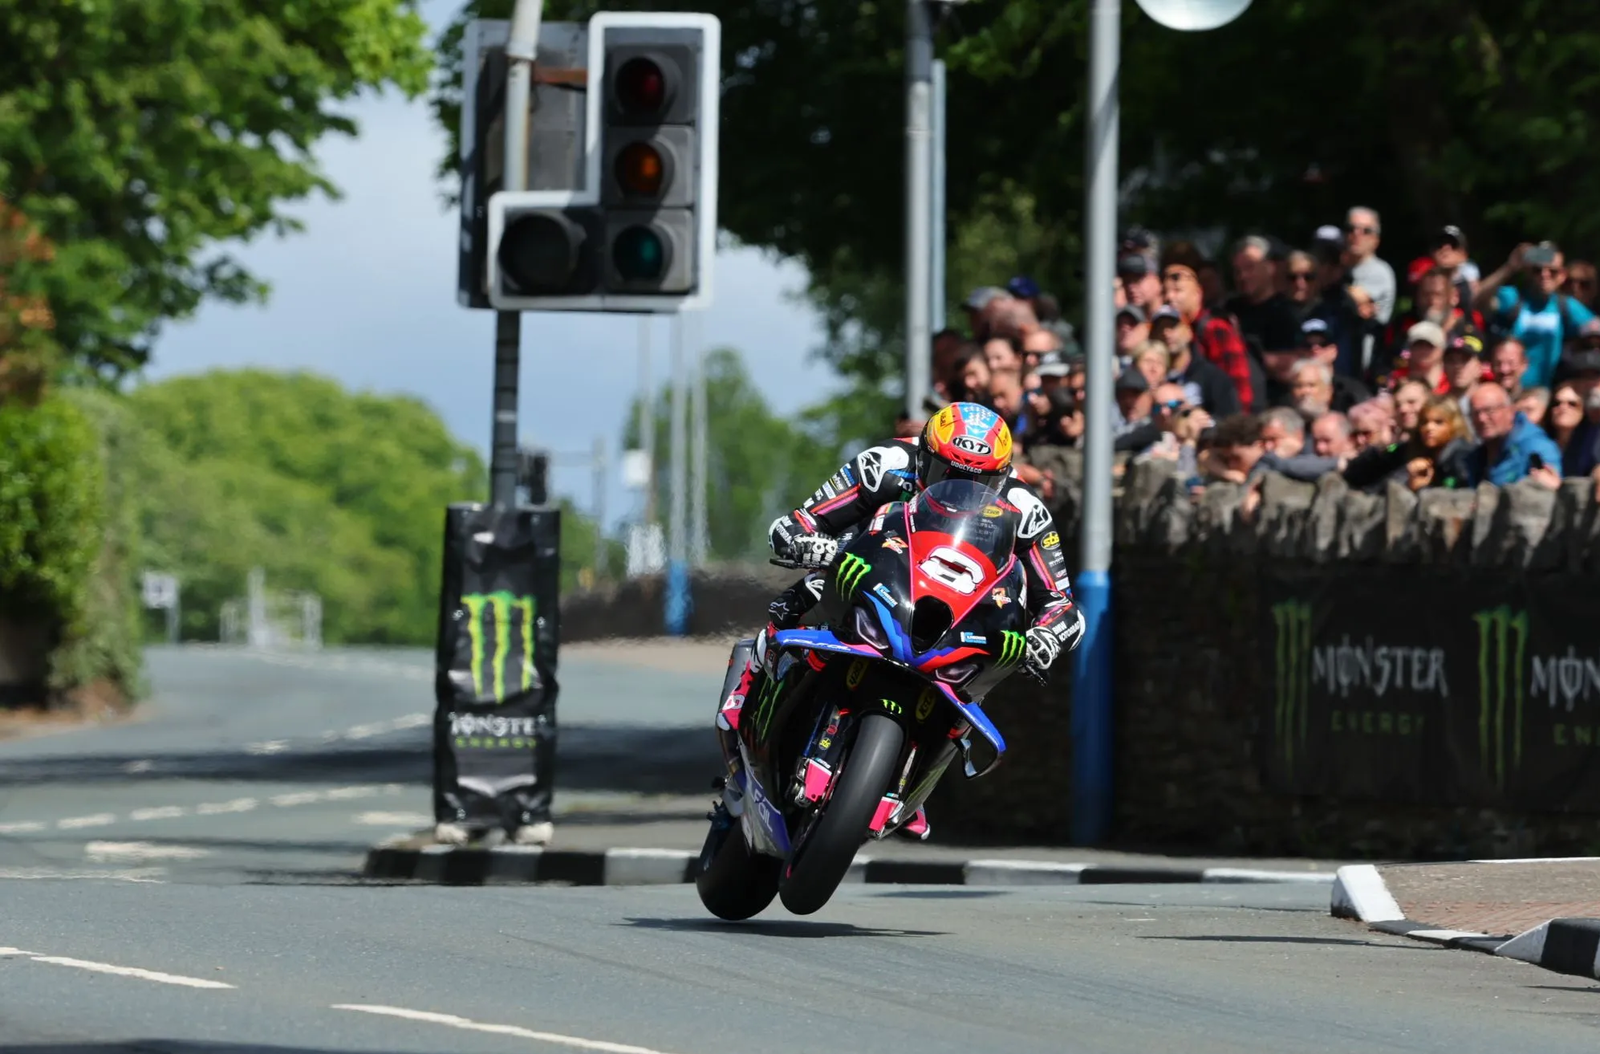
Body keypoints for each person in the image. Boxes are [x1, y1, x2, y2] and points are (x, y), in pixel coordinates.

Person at [739, 403, 1088, 837]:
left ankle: (916, 779)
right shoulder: (885, 464)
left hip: (955, 612)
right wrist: (809, 543)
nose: (963, 490)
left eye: (980, 482)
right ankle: (749, 685)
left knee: (994, 659)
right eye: (948, 475)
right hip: (871, 580)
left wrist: (1047, 636)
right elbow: (799, 521)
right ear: (924, 456)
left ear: (1002, 476)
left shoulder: (1024, 509)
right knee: (808, 591)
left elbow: (1062, 604)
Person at [1474, 241, 1597, 389]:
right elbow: (1475, 300)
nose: (1545, 275)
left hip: (1542, 393)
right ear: (1529, 272)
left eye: (1552, 271)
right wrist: (1509, 267)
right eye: (1538, 270)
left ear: (1562, 275)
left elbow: (1595, 327)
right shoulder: (1513, 297)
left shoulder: (1565, 306)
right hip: (1505, 385)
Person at [1343, 395, 1473, 492]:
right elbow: (1374, 465)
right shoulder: (1407, 449)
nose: (1429, 428)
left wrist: (1419, 488)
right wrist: (1384, 447)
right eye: (1424, 422)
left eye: (1438, 422)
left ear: (1454, 424)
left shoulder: (1461, 457)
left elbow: (1456, 495)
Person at [1462, 383, 1563, 486]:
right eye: (1475, 413)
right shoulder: (1474, 457)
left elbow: (1549, 489)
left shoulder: (1536, 448)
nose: (1481, 419)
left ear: (1510, 411)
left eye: (1489, 411)